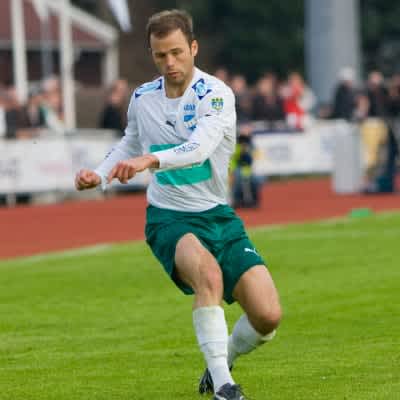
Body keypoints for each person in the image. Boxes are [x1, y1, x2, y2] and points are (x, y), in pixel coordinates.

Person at [75, 9, 281, 400]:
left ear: (193, 48)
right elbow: (130, 142)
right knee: (208, 277)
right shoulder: (143, 98)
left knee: (267, 316)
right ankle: (224, 387)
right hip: (169, 217)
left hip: (218, 215)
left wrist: (150, 160)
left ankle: (223, 360)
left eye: (176, 52)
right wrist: (100, 175)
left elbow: (199, 149)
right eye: (160, 55)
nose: (169, 62)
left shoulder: (216, 94)